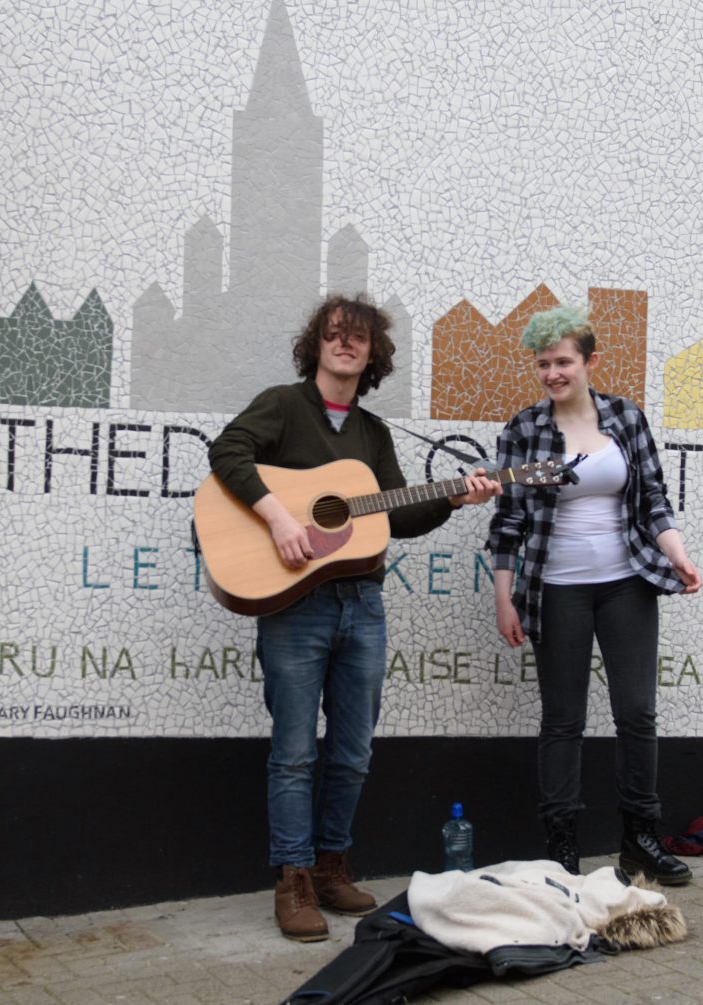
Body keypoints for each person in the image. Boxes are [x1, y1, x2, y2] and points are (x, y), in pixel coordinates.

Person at [208, 294, 500, 941]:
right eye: (335, 333)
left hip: (362, 605)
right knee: (292, 752)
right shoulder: (282, 406)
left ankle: (332, 864)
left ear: (372, 354)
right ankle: (293, 880)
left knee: (352, 750)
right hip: (294, 605)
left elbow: (395, 514)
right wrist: (280, 516)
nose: (346, 343)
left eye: (358, 337)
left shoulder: (372, 434)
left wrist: (456, 495)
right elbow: (227, 452)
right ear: (317, 343)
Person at [486, 304, 701, 885]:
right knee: (562, 720)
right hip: (556, 589)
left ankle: (640, 837)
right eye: (542, 364)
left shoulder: (626, 418)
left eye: (563, 362)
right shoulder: (524, 430)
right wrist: (504, 598)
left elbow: (654, 496)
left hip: (627, 581)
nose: (552, 373)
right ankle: (562, 846)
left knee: (637, 712)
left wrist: (676, 552)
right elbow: (507, 524)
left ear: (590, 362)